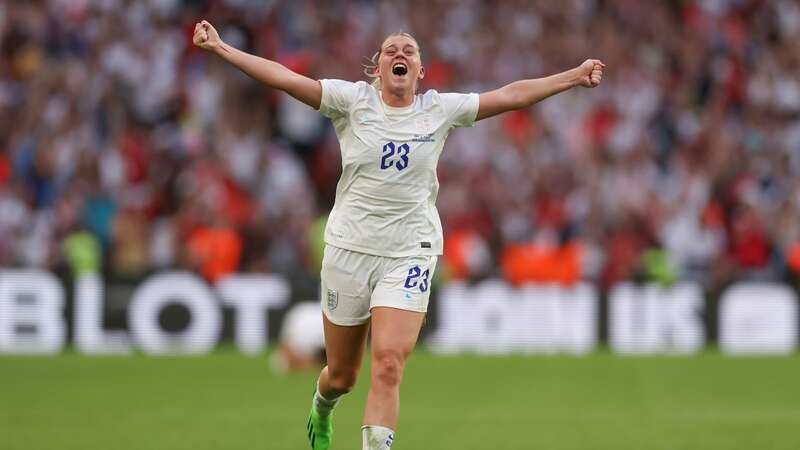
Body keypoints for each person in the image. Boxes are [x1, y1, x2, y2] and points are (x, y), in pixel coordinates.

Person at [193, 20, 604, 450]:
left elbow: (510, 94)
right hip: (350, 249)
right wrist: (223, 49)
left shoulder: (439, 110)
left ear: (421, 70)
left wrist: (572, 77)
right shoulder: (352, 102)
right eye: (391, 50)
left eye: (409, 49)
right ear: (377, 68)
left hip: (410, 249)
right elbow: (287, 79)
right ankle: (321, 406)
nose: (400, 54)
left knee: (388, 363)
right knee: (341, 376)